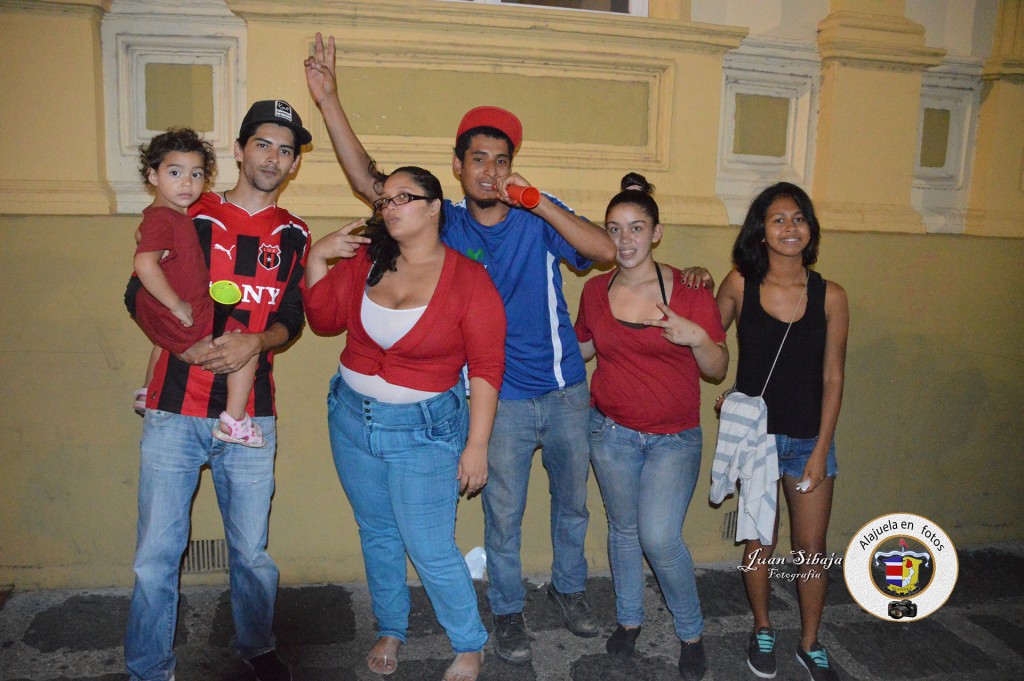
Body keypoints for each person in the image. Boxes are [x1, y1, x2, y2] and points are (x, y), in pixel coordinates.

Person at [303, 33, 617, 665]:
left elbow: (605, 252)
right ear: (458, 166)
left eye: (501, 160)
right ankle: (505, 615)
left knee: (573, 506)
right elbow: (376, 184)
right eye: (478, 159)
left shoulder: (534, 216)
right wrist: (330, 101)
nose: (491, 171)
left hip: (560, 387)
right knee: (500, 514)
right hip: (493, 396)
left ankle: (571, 592)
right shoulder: (442, 221)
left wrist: (540, 201)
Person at [123, 100, 313, 681]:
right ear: (238, 149)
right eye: (263, 143)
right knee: (157, 555)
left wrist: (257, 344)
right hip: (175, 409)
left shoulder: (296, 233)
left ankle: (257, 646)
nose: (273, 157)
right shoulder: (189, 209)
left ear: (293, 163)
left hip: (250, 415)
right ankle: (149, 668)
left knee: (252, 553)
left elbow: (292, 315)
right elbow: (136, 292)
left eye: (285, 149)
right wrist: (182, 348)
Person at [302, 165, 505, 681]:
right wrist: (318, 257)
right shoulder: (367, 262)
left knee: (429, 542)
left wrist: (477, 444)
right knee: (377, 531)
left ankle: (469, 644)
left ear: (435, 206)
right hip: (351, 419)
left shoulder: (469, 278)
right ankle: (391, 627)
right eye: (385, 200)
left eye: (403, 198)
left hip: (425, 431)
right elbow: (324, 321)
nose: (390, 207)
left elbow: (485, 368)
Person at [575, 174, 727, 681]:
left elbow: (716, 368)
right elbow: (580, 353)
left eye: (637, 228)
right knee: (622, 530)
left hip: (673, 439)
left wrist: (697, 335)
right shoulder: (595, 293)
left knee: (660, 538)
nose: (625, 240)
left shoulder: (689, 287)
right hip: (611, 433)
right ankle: (629, 620)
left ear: (656, 233)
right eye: (615, 229)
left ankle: (691, 633)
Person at [715, 182, 849, 681]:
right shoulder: (738, 284)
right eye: (778, 219)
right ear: (761, 231)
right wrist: (728, 393)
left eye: (798, 218)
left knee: (811, 549)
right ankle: (763, 627)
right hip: (756, 443)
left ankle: (810, 641)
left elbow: (833, 377)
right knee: (758, 544)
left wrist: (821, 449)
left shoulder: (831, 296)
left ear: (809, 229)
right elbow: (708, 346)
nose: (789, 227)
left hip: (808, 440)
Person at [132, 128, 263, 446]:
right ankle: (234, 420)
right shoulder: (163, 218)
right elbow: (144, 264)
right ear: (153, 175)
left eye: (196, 174)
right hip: (188, 309)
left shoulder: (169, 217)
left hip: (184, 307)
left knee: (162, 342)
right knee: (244, 346)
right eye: (174, 172)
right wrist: (175, 304)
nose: (186, 182)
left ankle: (148, 391)